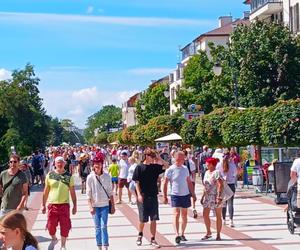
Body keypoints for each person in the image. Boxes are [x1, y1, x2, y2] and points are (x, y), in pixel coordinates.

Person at [132, 148, 169, 248]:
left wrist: (158, 157)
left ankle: (153, 238)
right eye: (151, 156)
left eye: (153, 156)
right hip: (143, 196)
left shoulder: (154, 167)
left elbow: (166, 166)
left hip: (153, 195)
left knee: (153, 218)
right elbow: (136, 182)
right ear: (146, 156)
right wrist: (139, 194)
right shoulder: (139, 167)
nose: (153, 158)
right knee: (143, 219)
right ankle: (140, 234)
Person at [42, 156, 77, 250]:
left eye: (62, 162)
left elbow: (72, 192)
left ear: (64, 164)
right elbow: (45, 191)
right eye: (58, 162)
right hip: (52, 205)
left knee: (64, 226)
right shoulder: (50, 175)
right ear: (55, 164)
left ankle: (63, 245)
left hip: (64, 205)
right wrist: (43, 205)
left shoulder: (69, 176)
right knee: (50, 226)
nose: (60, 164)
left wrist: (75, 205)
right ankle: (54, 238)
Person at [163, 151, 196, 244]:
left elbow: (189, 181)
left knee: (184, 215)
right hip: (175, 195)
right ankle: (177, 234)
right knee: (176, 214)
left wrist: (193, 193)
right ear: (178, 159)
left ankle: (182, 233)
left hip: (185, 194)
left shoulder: (185, 169)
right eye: (182, 158)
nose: (184, 160)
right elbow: (165, 183)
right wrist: (165, 195)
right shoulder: (170, 169)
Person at [86, 158, 116, 250]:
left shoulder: (107, 176)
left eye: (99, 164)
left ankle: (105, 246)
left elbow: (110, 192)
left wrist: (113, 206)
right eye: (95, 164)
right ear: (93, 165)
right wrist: (90, 206)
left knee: (104, 227)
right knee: (97, 227)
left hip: (105, 206)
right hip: (95, 206)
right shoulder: (90, 177)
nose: (97, 166)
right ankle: (99, 246)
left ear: (102, 165)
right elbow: (88, 193)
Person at [201, 157, 224, 241]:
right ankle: (208, 232)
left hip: (215, 196)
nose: (206, 165)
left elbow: (220, 184)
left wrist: (218, 196)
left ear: (212, 164)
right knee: (205, 214)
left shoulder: (216, 172)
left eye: (207, 163)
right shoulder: (207, 172)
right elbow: (205, 186)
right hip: (207, 196)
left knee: (218, 215)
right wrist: (203, 196)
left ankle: (218, 234)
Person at [217, 150, 238, 227]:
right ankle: (231, 221)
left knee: (223, 203)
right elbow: (235, 174)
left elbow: (217, 174)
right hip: (231, 184)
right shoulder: (232, 165)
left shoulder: (219, 165)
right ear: (230, 156)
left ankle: (223, 220)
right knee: (230, 203)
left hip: (222, 185)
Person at [183, 150, 197, 218]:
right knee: (192, 194)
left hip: (183, 182)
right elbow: (194, 172)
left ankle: (184, 210)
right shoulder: (191, 162)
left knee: (185, 195)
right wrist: (194, 181)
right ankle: (194, 207)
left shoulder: (181, 162)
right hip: (191, 181)